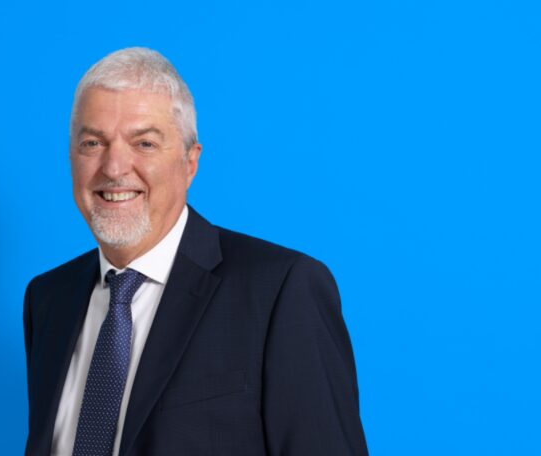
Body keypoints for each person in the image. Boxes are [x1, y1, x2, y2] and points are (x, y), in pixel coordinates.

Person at [23, 47, 368, 456]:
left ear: (190, 162)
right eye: (93, 142)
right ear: (71, 157)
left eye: (144, 143)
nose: (114, 168)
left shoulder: (280, 290)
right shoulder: (49, 299)